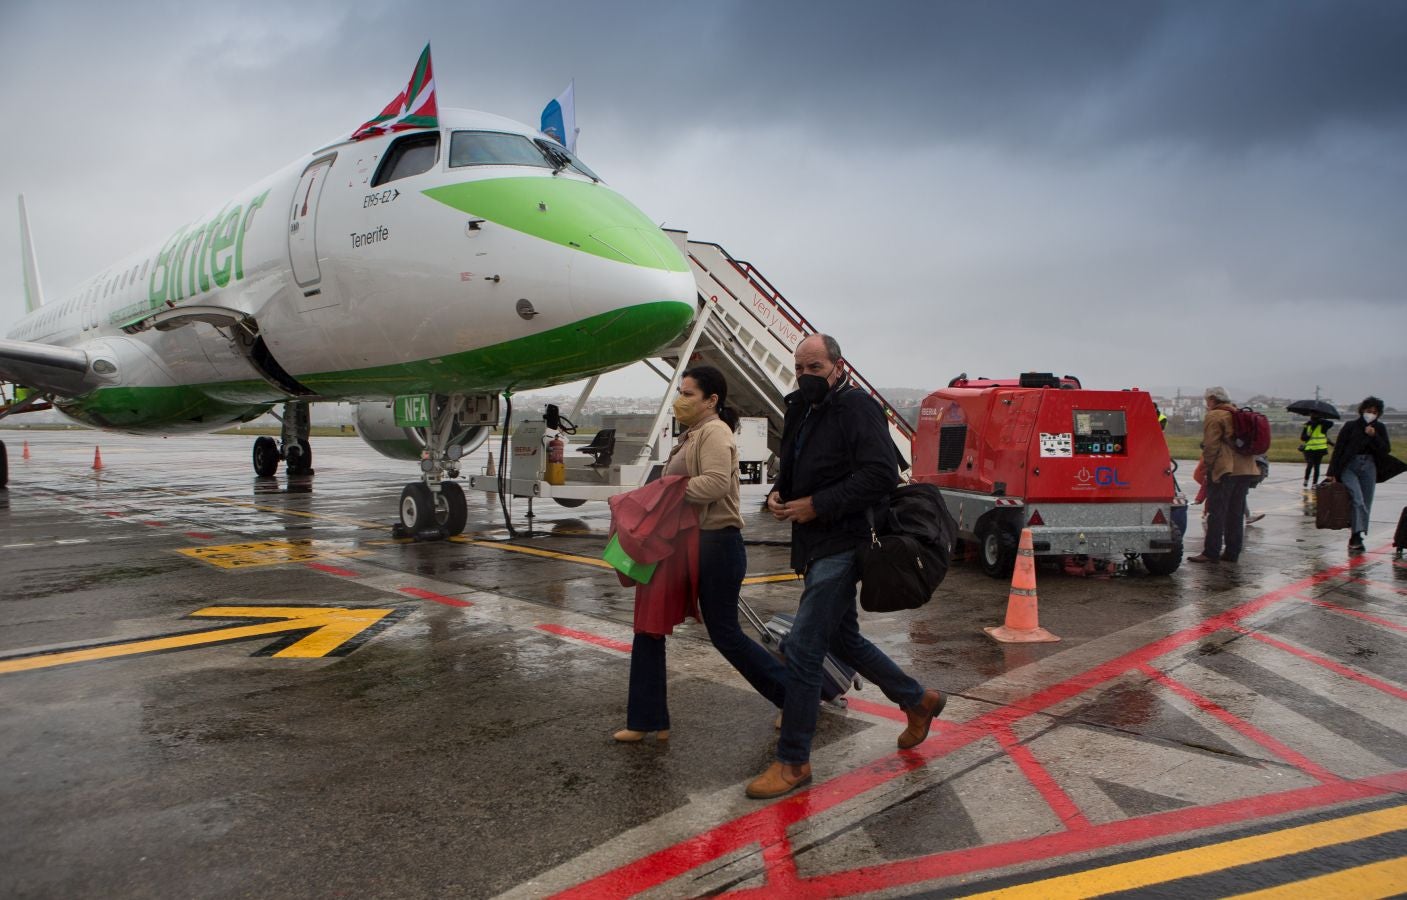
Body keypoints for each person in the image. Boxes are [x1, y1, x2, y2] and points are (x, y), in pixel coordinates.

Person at [751, 334, 943, 799]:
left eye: (814, 367)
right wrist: (779, 492)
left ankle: (794, 760)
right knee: (843, 638)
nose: (805, 376)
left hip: (844, 541)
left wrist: (817, 505)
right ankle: (917, 700)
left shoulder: (857, 407)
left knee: (803, 646)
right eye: (799, 368)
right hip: (815, 542)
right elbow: (796, 461)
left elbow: (880, 474)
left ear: (838, 366)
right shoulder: (803, 406)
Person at [614, 366, 783, 740]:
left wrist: (663, 496)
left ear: (711, 400)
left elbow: (716, 483)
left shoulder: (715, 433)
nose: (681, 399)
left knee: (725, 633)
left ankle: (793, 697)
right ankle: (645, 720)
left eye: (689, 394)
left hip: (716, 544)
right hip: (683, 545)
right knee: (649, 626)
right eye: (681, 391)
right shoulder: (693, 434)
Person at [1188, 387, 1260, 564]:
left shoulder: (1215, 415)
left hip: (1225, 469)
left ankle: (1211, 552)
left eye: (1207, 401)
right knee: (1236, 513)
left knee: (1216, 512)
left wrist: (1209, 468)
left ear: (1212, 399)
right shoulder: (1237, 412)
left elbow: (1211, 446)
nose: (1207, 404)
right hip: (1246, 468)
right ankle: (1232, 552)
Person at [1325, 396, 1390, 553]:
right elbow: (1339, 449)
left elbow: (1385, 449)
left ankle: (1358, 534)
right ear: (1362, 410)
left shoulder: (1379, 428)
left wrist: (1374, 436)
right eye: (1369, 411)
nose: (1371, 414)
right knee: (1357, 499)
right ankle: (1355, 534)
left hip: (1369, 466)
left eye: (1375, 412)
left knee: (1366, 502)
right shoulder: (1351, 426)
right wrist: (1332, 472)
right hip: (1350, 466)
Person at [1300, 414, 1334, 489]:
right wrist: (1307, 436)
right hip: (1310, 448)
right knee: (1310, 465)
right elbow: (1302, 437)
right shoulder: (1308, 425)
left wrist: (1321, 420)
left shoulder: (1323, 425)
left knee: (1316, 467)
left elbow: (1331, 423)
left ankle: (1314, 483)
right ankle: (1306, 479)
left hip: (1319, 449)